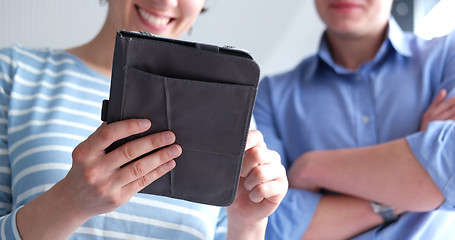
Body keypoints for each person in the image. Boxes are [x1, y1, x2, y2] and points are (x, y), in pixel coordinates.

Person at [0, 0, 288, 239]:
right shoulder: (13, 72)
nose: (166, 2)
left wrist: (247, 224)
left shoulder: (233, 113)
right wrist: (69, 203)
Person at [254, 0, 455, 239]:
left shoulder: (448, 55)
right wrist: (419, 171)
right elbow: (272, 225)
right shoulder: (270, 97)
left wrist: (311, 167)